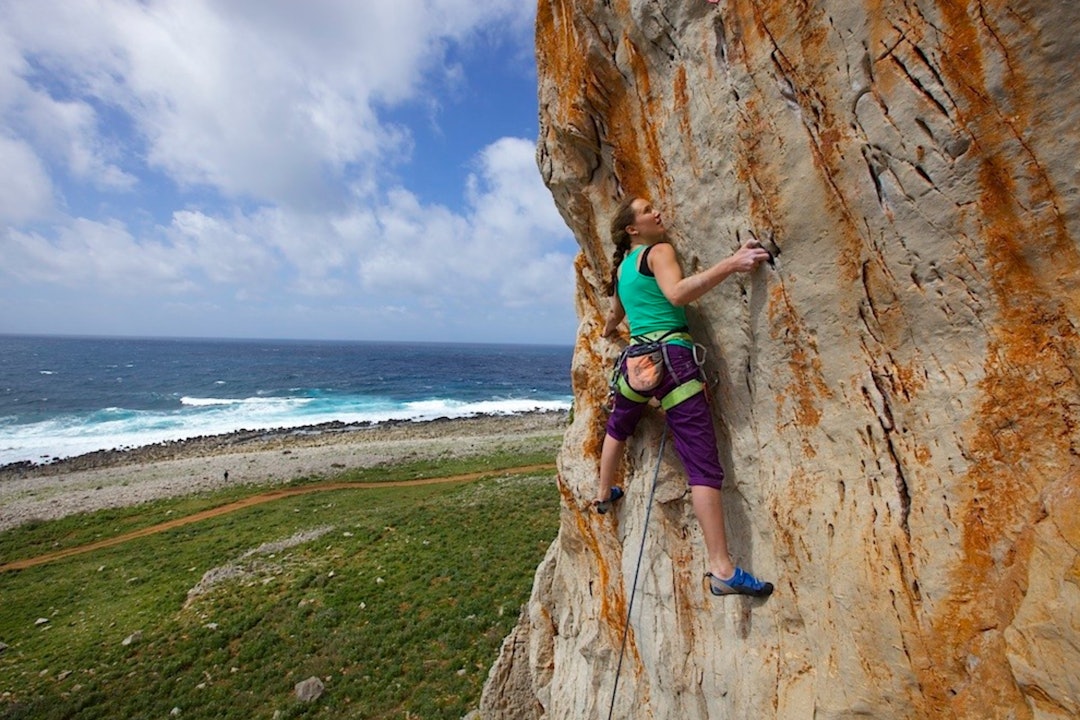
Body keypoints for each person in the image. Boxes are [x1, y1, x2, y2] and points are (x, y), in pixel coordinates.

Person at [595, 196, 774, 598]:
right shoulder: (659, 251)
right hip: (673, 359)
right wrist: (732, 263)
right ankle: (722, 568)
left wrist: (609, 333)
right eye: (646, 211)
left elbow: (615, 315)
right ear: (633, 229)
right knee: (702, 463)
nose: (657, 213)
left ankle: (604, 494)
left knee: (618, 427)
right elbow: (676, 294)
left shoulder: (624, 267)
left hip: (635, 362)